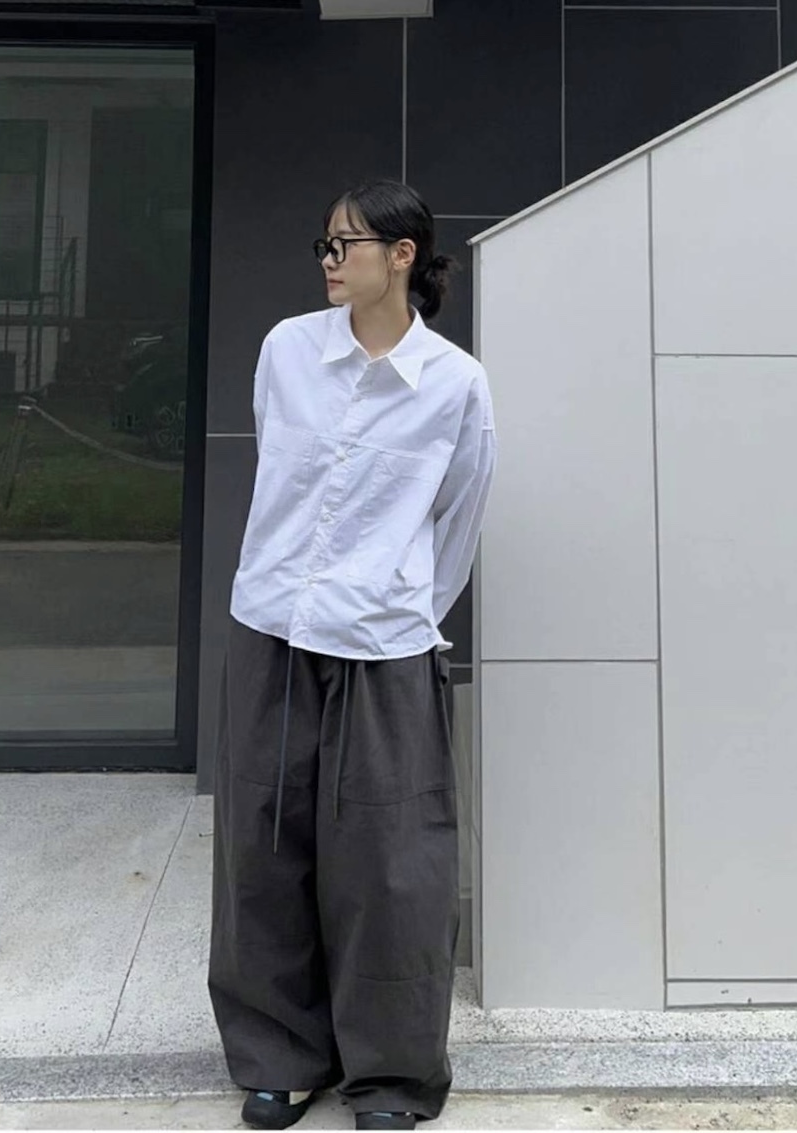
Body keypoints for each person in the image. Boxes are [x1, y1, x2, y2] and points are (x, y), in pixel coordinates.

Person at [208, 179, 496, 1132]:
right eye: (325, 245)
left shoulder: (453, 383)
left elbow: (457, 522)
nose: (330, 262)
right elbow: (278, 479)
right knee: (263, 848)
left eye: (347, 245)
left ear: (402, 256)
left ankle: (391, 1076)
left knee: (390, 866)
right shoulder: (287, 350)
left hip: (384, 644)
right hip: (273, 629)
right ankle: (279, 1057)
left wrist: (397, 605)